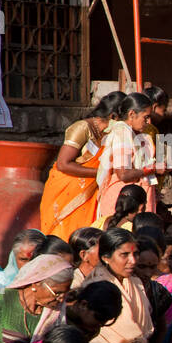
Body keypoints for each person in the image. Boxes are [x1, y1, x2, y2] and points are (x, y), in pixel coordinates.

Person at [39, 92, 119, 239]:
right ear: (114, 117)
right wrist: (102, 172)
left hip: (90, 192)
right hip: (65, 191)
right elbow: (63, 164)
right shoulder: (82, 128)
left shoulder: (111, 133)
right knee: (62, 237)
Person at [82, 228, 154, 343]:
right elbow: (97, 338)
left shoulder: (136, 283)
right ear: (106, 257)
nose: (133, 261)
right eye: (124, 255)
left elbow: (144, 332)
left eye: (135, 254)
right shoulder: (96, 287)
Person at [97, 91, 156, 220]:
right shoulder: (122, 132)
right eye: (145, 117)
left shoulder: (134, 134)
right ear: (131, 114)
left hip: (133, 201)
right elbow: (123, 174)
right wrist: (152, 169)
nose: (148, 121)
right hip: (124, 203)